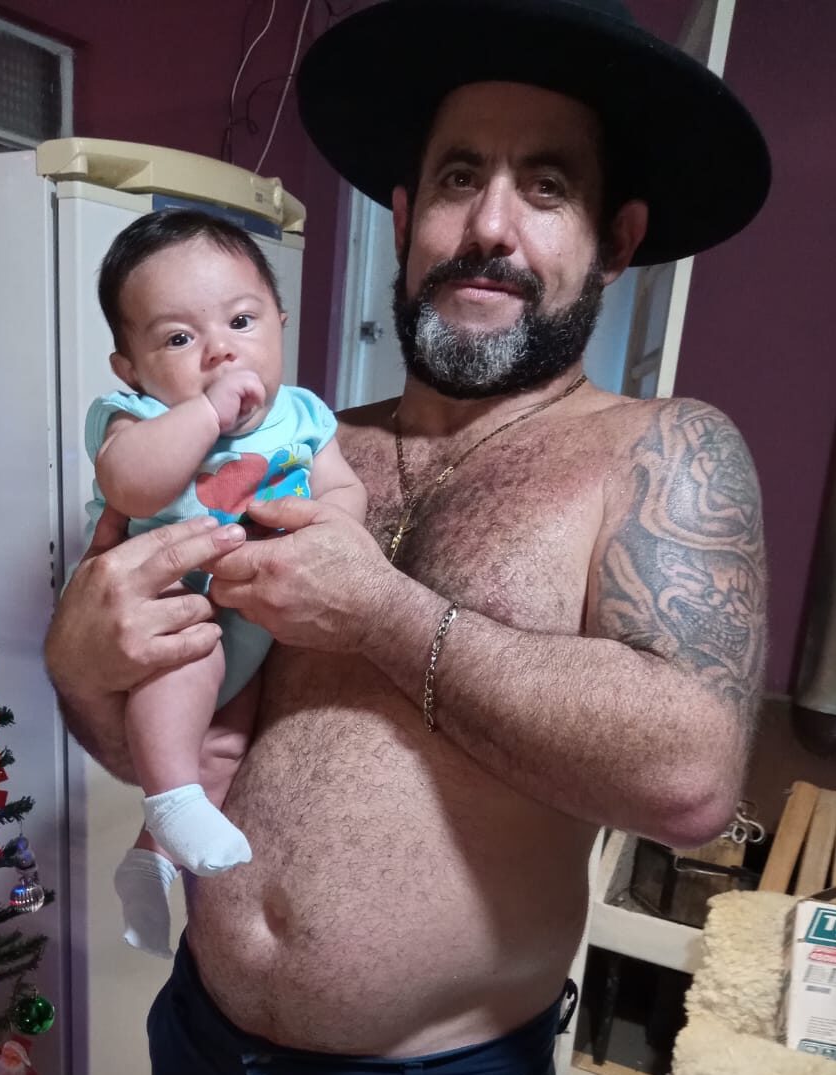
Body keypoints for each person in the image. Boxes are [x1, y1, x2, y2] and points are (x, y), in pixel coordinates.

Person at [45, 0, 771, 1070]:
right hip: (197, 1027)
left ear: (614, 240)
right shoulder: (302, 449)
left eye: (546, 188)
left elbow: (689, 781)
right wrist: (77, 664)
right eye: (457, 178)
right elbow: (154, 738)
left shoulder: (660, 451)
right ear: (403, 216)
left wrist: (381, 612)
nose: (488, 227)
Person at [84, 210, 366, 958]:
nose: (220, 349)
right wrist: (206, 413)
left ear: (279, 324)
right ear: (130, 368)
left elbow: (343, 490)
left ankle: (151, 863)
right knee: (194, 662)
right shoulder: (138, 415)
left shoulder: (304, 415)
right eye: (179, 338)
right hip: (178, 611)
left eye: (242, 321)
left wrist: (334, 526)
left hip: (255, 620)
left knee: (227, 747)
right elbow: (132, 485)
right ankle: (170, 801)